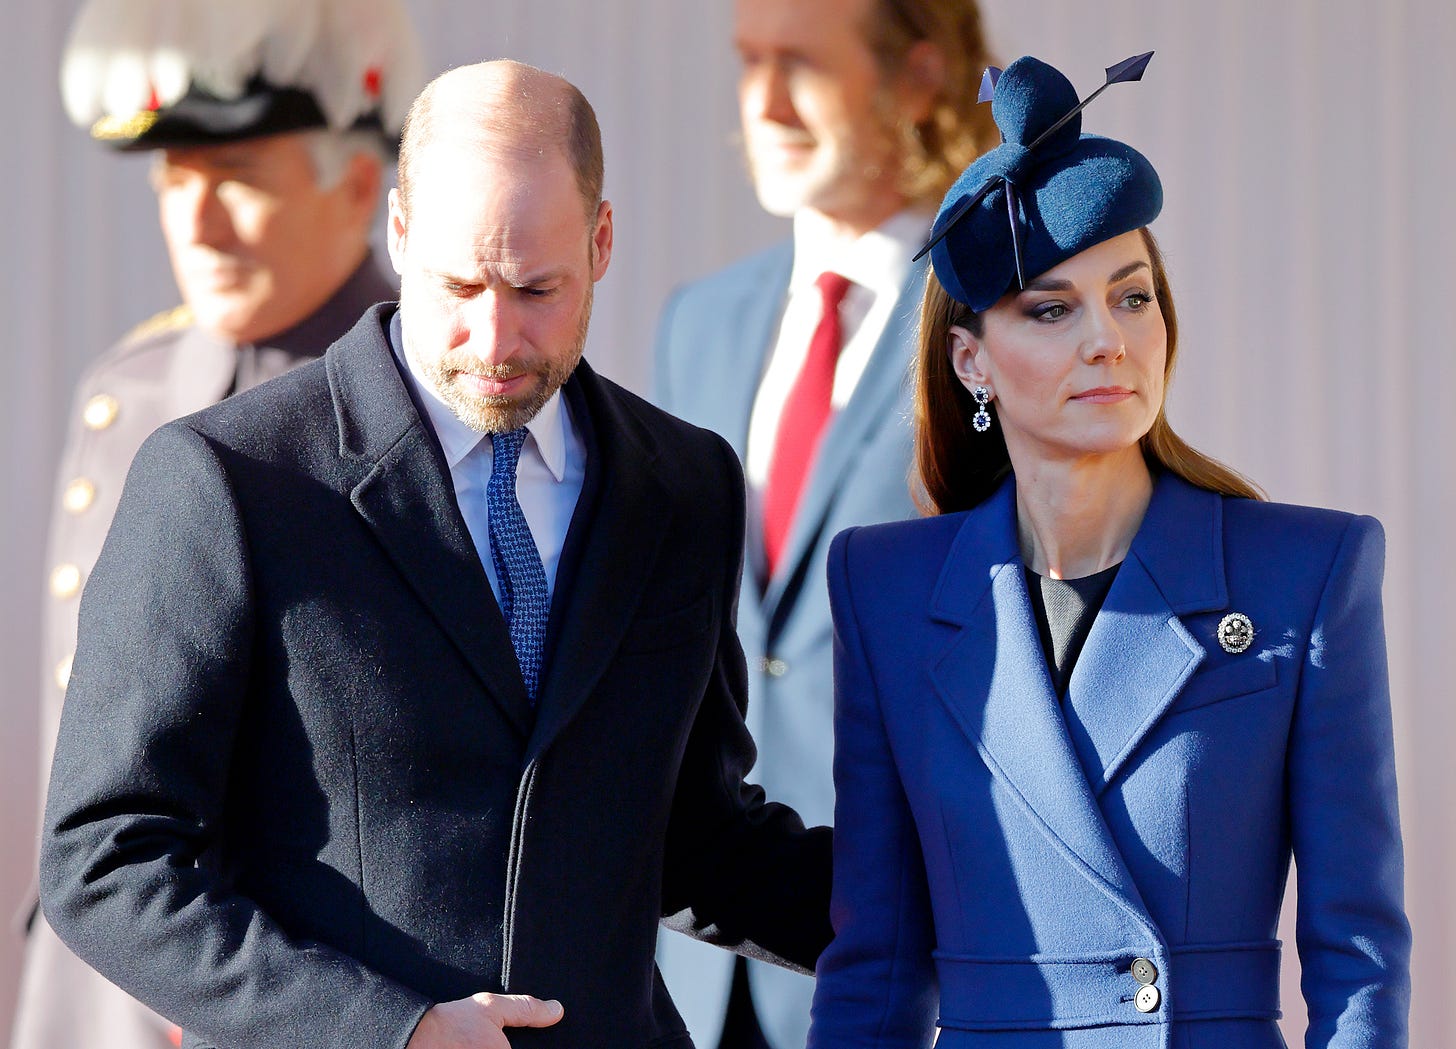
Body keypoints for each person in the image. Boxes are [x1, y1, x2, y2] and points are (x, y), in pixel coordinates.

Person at [38, 60, 832, 1049]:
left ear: (602, 241)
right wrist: (391, 1029)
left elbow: (694, 840)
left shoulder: (685, 483)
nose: (494, 338)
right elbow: (104, 859)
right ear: (401, 232)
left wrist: (950, 912)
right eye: (459, 285)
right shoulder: (230, 476)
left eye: (537, 288)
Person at [807, 54, 1411, 1048]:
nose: (1108, 340)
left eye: (1132, 297)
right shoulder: (886, 589)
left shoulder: (1306, 572)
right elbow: (874, 965)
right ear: (972, 361)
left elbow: (1359, 957)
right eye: (1052, 308)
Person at [14, 3, 422, 1047]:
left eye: (236, 176)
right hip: (94, 992)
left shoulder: (423, 411)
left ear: (359, 186)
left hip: (311, 991)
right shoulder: (131, 388)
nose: (196, 221)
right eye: (174, 179)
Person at [652, 2, 994, 1045]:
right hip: (698, 967)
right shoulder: (700, 320)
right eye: (748, 61)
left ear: (917, 74)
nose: (759, 102)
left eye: (799, 64)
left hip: (913, 955)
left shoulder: (1002, 315)